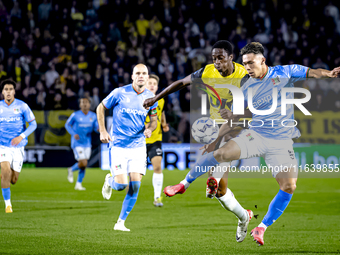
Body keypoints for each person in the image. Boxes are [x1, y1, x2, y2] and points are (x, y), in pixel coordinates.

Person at [156, 42, 340, 245]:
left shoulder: (285, 72)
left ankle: (261, 228)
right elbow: (235, 119)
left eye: (251, 63)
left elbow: (313, 73)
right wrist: (216, 140)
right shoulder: (245, 85)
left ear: (263, 60)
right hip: (256, 135)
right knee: (221, 153)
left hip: (281, 142)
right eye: (245, 63)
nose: (248, 68)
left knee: (289, 186)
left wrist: (329, 74)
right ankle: (184, 184)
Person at [143, 40, 253, 243]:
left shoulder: (244, 76)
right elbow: (181, 83)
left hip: (238, 126)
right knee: (221, 192)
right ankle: (244, 217)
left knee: (225, 143)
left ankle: (189, 182)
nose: (217, 62)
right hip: (214, 127)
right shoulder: (207, 71)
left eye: (221, 58)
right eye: (214, 58)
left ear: (231, 57)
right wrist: (156, 97)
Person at [97, 64, 158, 231]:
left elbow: (154, 120)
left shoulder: (151, 98)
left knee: (135, 185)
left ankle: (120, 223)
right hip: (118, 146)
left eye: (144, 73)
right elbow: (101, 107)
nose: (141, 76)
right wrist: (102, 130)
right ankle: (109, 181)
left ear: (147, 77)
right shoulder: (119, 93)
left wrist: (150, 129)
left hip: (138, 147)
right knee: (121, 185)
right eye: (137, 73)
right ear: (132, 76)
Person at [0, 79, 37, 213]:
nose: (8, 92)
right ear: (2, 92)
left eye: (11, 89)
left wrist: (21, 136)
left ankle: (5, 176)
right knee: (5, 171)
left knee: (13, 179)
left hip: (18, 147)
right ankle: (8, 205)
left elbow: (33, 124)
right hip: (3, 146)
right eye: (6, 89)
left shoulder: (22, 106)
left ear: (14, 91)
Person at [145, 74, 169, 207]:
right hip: (140, 141)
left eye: (154, 83)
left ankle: (157, 197)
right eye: (150, 83)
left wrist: (164, 124)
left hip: (156, 139)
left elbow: (162, 112)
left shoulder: (160, 100)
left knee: (158, 167)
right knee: (136, 173)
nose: (152, 85)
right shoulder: (139, 100)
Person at [65, 97, 98, 191]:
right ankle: (71, 170)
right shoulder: (75, 115)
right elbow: (67, 125)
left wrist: (99, 129)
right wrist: (73, 133)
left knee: (83, 165)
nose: (84, 104)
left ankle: (78, 183)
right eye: (82, 102)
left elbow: (96, 127)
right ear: (80, 105)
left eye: (86, 102)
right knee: (84, 162)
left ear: (89, 104)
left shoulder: (93, 116)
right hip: (77, 143)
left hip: (87, 143)